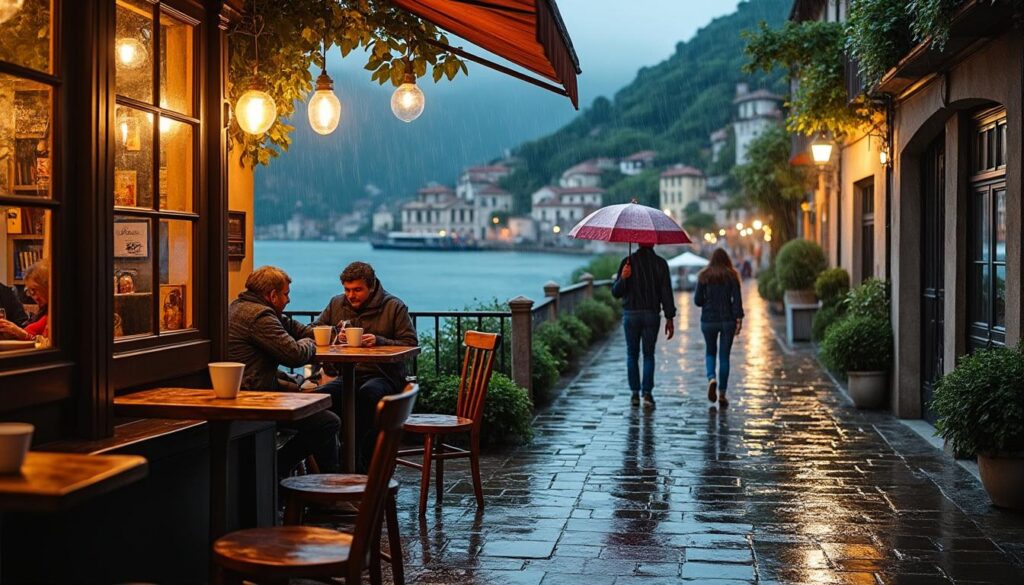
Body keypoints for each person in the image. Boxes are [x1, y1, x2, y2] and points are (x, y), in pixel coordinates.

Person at [227, 265, 342, 473]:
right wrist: (310, 342)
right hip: (254, 398)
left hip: (251, 390)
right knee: (327, 423)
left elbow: (297, 329)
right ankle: (279, 469)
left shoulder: (243, 306)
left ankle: (324, 486)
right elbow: (295, 355)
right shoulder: (259, 317)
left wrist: (319, 334)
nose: (288, 300)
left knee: (317, 405)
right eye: (285, 294)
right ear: (272, 295)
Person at [312, 261, 416, 472]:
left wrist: (379, 341)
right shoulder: (336, 304)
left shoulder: (394, 306)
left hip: (384, 375)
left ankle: (356, 460)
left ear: (371, 286)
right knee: (317, 400)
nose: (351, 295)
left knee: (368, 394)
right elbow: (314, 328)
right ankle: (331, 466)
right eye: (347, 290)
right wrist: (334, 334)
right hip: (349, 375)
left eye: (357, 290)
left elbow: (410, 343)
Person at [611, 244, 676, 410]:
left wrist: (623, 278)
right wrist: (669, 317)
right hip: (651, 315)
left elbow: (616, 292)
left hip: (631, 314)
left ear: (638, 243)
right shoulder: (661, 263)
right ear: (653, 243)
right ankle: (647, 394)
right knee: (649, 355)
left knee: (632, 354)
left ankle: (634, 393)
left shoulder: (627, 261)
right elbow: (666, 292)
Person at [694, 248, 745, 408]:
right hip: (727, 320)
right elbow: (737, 301)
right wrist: (739, 320)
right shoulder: (732, 275)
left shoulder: (704, 276)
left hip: (708, 320)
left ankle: (711, 378)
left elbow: (697, 301)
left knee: (710, 352)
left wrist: (706, 300)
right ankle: (722, 394)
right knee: (724, 357)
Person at [0, 261, 48, 341]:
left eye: (34, 290)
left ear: (46, 286)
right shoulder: (44, 311)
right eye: (30, 292)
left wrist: (19, 333)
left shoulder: (5, 293)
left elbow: (45, 343)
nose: (34, 297)